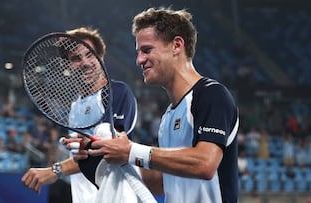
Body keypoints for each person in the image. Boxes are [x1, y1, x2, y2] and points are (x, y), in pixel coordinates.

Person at [88, 7, 239, 203]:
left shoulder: (211, 94)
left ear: (177, 45)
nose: (139, 60)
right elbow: (161, 182)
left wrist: (131, 151)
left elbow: (205, 163)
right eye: (139, 52)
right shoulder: (168, 115)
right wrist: (109, 157)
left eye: (146, 50)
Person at [22, 27, 139, 203]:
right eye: (76, 58)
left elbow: (111, 149)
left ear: (101, 57)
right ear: (67, 65)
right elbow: (81, 157)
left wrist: (54, 170)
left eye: (90, 54)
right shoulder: (75, 107)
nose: (85, 62)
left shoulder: (116, 92)